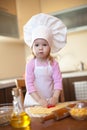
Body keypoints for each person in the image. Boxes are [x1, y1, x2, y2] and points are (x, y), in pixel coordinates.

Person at [23, 13, 67, 107]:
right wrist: (39, 100)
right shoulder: (31, 64)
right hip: (33, 102)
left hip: (50, 101)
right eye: (37, 45)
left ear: (50, 47)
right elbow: (29, 84)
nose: (40, 48)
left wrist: (55, 97)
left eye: (44, 44)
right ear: (32, 47)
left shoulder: (54, 64)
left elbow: (58, 82)